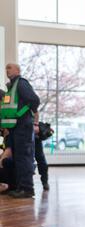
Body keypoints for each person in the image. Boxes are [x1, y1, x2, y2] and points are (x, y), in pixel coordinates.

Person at [0, 63, 40, 198]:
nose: (7, 70)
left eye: (9, 68)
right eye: (6, 68)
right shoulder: (11, 87)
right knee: (18, 159)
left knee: (24, 158)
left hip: (23, 127)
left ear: (17, 70)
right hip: (15, 128)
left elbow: (34, 100)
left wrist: (20, 114)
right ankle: (20, 187)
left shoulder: (21, 83)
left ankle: (27, 189)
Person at [34, 119, 50, 191]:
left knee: (41, 161)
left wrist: (36, 125)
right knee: (24, 162)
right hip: (21, 136)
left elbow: (36, 113)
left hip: (35, 138)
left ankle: (45, 182)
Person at [0, 128, 16, 193]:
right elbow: (5, 151)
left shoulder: (10, 137)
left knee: (4, 161)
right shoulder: (5, 138)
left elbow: (9, 152)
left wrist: (0, 160)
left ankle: (11, 187)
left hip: (14, 163)